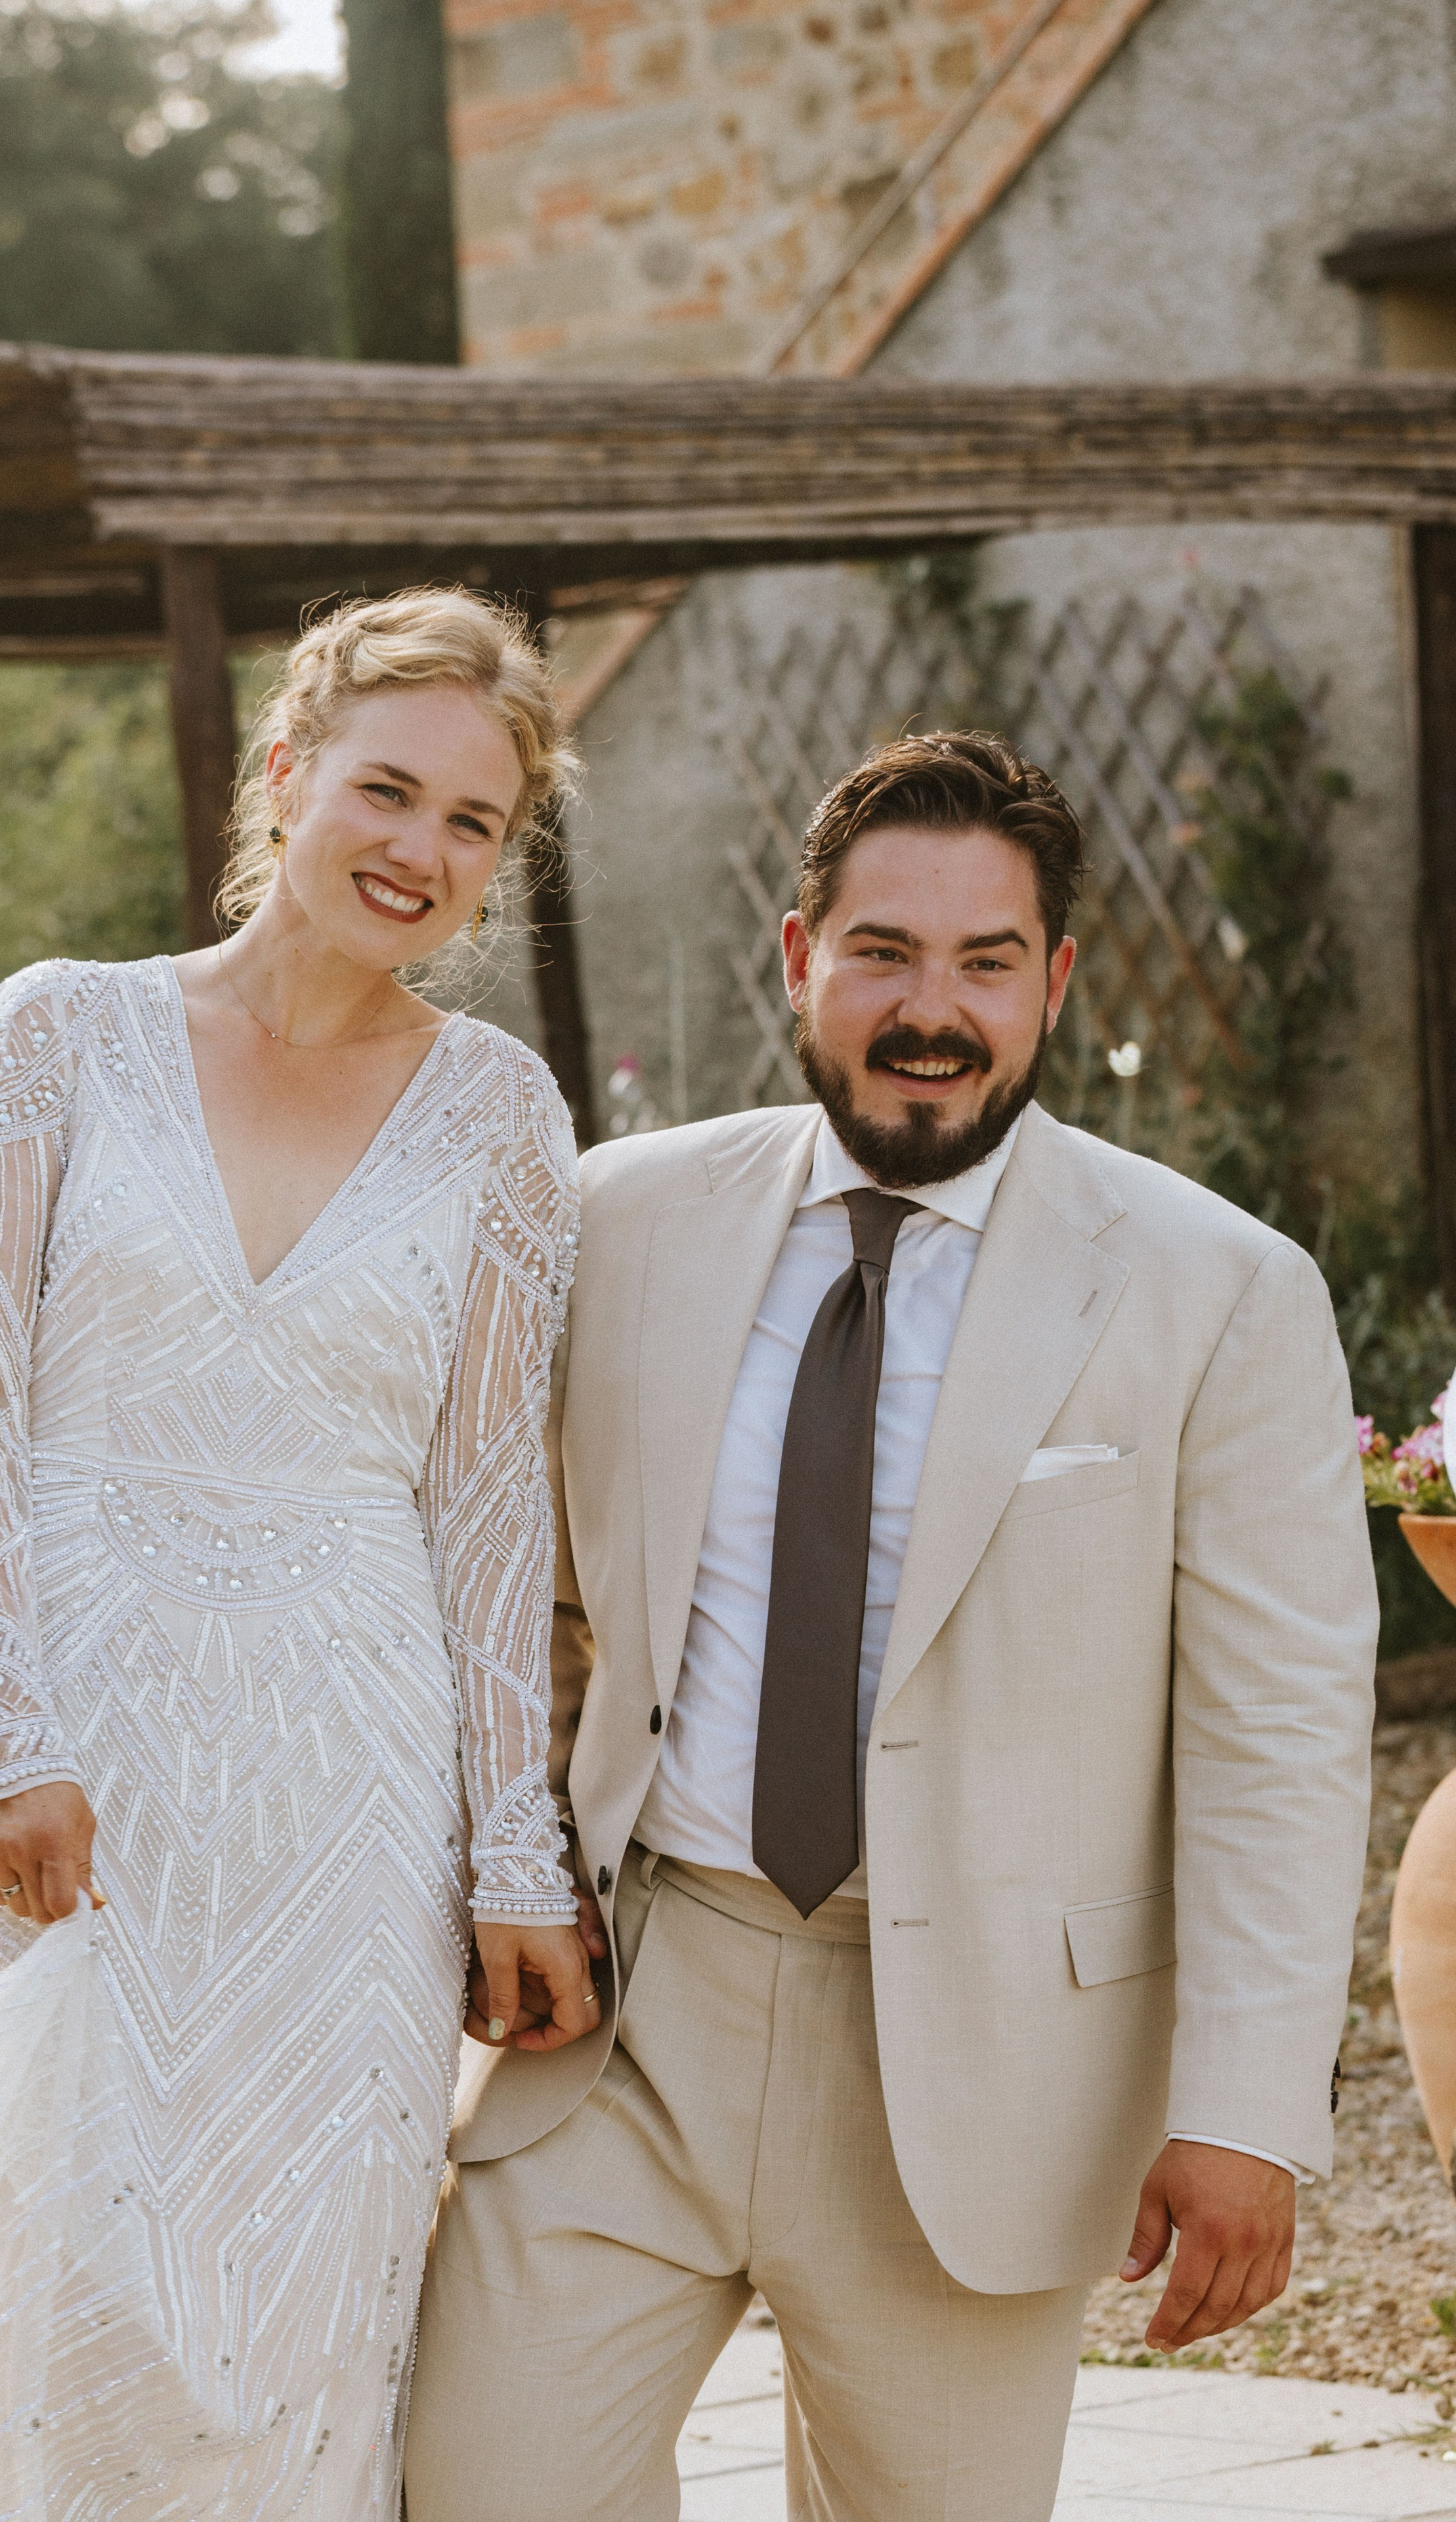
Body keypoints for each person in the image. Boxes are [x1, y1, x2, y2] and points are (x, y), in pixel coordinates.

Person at [404, 731, 1378, 2522]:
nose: (932, 1008)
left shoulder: (1221, 1291)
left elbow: (1281, 1740)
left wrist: (1246, 2108)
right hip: (629, 2017)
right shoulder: (618, 1217)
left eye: (986, 962)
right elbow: (520, 1587)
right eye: (883, 954)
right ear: (800, 958)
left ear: (1055, 983)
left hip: (982, 2057)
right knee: (480, 2488)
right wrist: (507, 1860)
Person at [0, 589, 600, 2521]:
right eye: (386, 791)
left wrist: (513, 1855)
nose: (418, 850)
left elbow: (486, 1510)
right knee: (49, 2297)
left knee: (305, 2311)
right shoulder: (58, 1032)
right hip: (70, 1772)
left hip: (352, 1798)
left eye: (471, 824)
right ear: (286, 773)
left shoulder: (499, 1115)